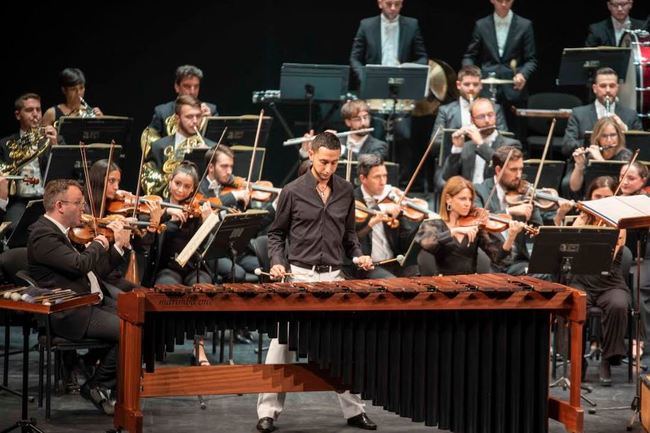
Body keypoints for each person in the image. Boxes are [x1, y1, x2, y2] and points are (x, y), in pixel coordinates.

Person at [258, 132, 375, 433]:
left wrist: (359, 255)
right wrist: (277, 262)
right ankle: (267, 412)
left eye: (335, 163)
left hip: (333, 277)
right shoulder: (292, 191)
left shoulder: (346, 191)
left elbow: (349, 236)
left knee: (341, 345)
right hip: (299, 275)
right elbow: (275, 234)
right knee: (281, 343)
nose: (328, 169)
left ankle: (354, 411)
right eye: (324, 161)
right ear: (311, 154)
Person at [27, 179, 132, 415]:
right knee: (130, 330)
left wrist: (118, 247)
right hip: (69, 312)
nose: (84, 208)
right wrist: (99, 242)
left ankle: (102, 380)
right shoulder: (43, 234)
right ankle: (98, 385)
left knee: (137, 317)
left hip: (89, 301)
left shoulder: (63, 233)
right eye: (79, 203)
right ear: (60, 205)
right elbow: (79, 265)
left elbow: (96, 271)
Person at [349, 0, 428, 187]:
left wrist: (408, 69)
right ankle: (368, 183)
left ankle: (400, 185)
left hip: (400, 89)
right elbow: (355, 57)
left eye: (398, 4)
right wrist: (366, 77)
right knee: (374, 137)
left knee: (404, 137)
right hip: (375, 88)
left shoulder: (412, 24)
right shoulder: (366, 25)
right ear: (380, 3)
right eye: (389, 4)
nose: (393, 8)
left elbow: (422, 56)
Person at [568, 176, 630, 385]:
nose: (601, 201)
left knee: (619, 304)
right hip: (580, 279)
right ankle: (577, 359)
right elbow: (570, 250)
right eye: (597, 197)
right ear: (590, 197)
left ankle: (607, 358)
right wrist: (582, 222)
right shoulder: (582, 218)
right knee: (573, 304)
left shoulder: (620, 224)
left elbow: (609, 257)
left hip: (609, 280)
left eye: (607, 197)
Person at [415, 175, 524, 275]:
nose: (468, 203)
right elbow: (427, 243)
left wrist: (511, 237)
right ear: (448, 199)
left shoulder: (476, 226)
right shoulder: (433, 225)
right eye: (462, 199)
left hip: (469, 287)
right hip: (443, 285)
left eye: (470, 199)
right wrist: (455, 231)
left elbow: (499, 259)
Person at [462, 0, 537, 135]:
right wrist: (470, 74)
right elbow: (470, 55)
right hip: (488, 88)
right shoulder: (481, 25)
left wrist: (523, 74)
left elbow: (531, 60)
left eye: (507, 1)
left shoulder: (524, 25)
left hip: (514, 89)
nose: (503, 5)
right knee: (485, 132)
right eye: (500, 1)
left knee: (516, 135)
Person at [472, 146, 544, 275]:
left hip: (518, 262)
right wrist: (509, 211)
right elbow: (480, 218)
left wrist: (534, 211)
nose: (519, 175)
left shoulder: (524, 193)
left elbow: (539, 229)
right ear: (498, 170)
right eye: (513, 170)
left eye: (521, 169)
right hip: (493, 260)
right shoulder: (479, 191)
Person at [351, 154, 419, 278]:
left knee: (419, 275)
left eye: (385, 176)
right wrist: (381, 208)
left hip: (394, 262)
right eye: (377, 177)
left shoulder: (392, 199)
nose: (383, 182)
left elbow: (405, 243)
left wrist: (421, 224)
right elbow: (353, 236)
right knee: (393, 282)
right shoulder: (352, 200)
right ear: (363, 179)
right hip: (368, 267)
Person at [0, 93, 59, 225]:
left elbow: (62, 172)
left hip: (47, 200)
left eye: (38, 109)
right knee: (13, 228)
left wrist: (55, 146)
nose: (35, 114)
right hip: (19, 201)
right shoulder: (5, 144)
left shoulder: (53, 140)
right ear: (17, 115)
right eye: (29, 110)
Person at [562, 67, 642, 157]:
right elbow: (567, 146)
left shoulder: (631, 115)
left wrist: (625, 131)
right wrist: (598, 141)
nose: (608, 90)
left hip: (620, 167)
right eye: (603, 86)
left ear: (617, 88)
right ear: (594, 88)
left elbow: (641, 148)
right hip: (585, 166)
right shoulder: (578, 114)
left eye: (612, 86)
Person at [440, 98, 521, 184]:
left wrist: (481, 144)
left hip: (494, 196)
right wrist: (457, 148)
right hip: (469, 195)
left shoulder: (511, 145)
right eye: (481, 116)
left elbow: (505, 170)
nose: (487, 120)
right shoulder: (467, 147)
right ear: (472, 120)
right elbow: (448, 177)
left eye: (490, 115)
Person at [432, 65, 509, 149]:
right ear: (458, 85)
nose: (471, 88)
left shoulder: (494, 108)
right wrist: (457, 138)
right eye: (467, 84)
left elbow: (504, 138)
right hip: (455, 158)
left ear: (481, 85)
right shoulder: (445, 111)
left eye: (475, 84)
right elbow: (435, 143)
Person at [146, 95, 215, 171]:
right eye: (189, 117)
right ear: (177, 119)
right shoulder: (158, 147)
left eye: (198, 116)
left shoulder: (213, 148)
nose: (195, 121)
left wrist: (205, 156)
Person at [147, 65, 218, 139]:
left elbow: (218, 143)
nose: (192, 91)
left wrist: (210, 122)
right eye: (187, 86)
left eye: (196, 86)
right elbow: (154, 144)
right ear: (177, 87)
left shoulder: (211, 110)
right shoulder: (162, 112)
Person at [568, 117, 633, 196]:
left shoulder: (625, 156)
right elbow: (574, 187)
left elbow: (617, 187)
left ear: (619, 136)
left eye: (613, 135)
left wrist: (599, 159)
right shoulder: (591, 156)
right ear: (597, 138)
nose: (609, 140)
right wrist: (579, 165)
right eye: (604, 136)